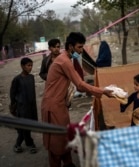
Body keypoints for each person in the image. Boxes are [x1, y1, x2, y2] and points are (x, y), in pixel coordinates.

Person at [41, 32, 113, 167]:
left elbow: (77, 87)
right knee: (56, 142)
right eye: (79, 47)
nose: (81, 51)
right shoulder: (64, 61)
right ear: (70, 47)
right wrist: (102, 91)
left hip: (61, 104)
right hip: (53, 106)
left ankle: (68, 163)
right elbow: (80, 84)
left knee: (64, 135)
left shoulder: (66, 59)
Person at [9, 57, 38, 154]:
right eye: (28, 66)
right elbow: (12, 94)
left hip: (31, 106)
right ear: (22, 66)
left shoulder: (31, 77)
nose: (30, 68)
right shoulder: (17, 79)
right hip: (22, 108)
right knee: (24, 127)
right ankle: (29, 144)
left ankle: (18, 144)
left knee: (27, 126)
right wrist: (13, 106)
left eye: (31, 66)